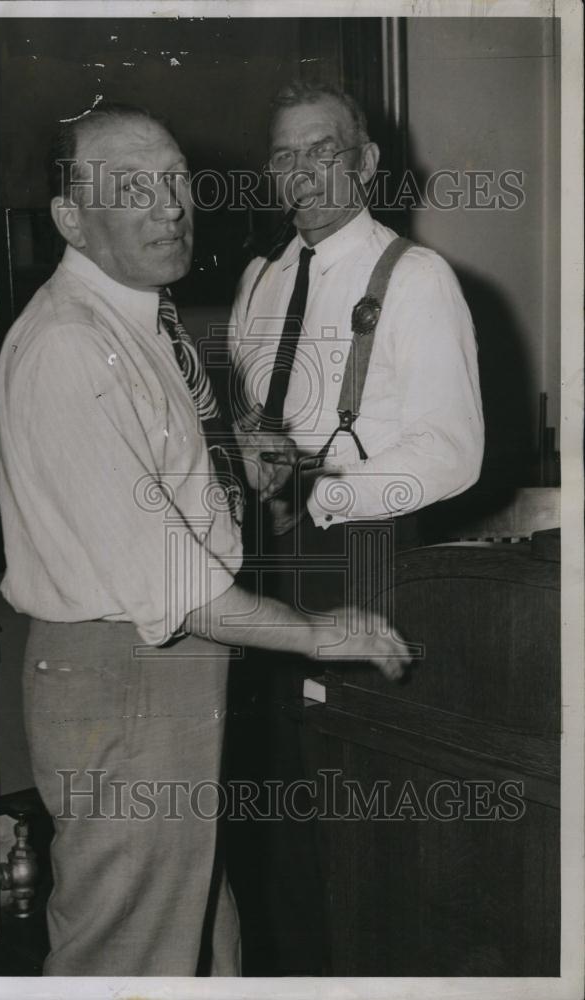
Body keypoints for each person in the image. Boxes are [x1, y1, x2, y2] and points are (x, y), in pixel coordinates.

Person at [0, 101, 411, 977]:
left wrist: (232, 462)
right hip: (127, 676)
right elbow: (175, 582)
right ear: (70, 216)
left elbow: (153, 472)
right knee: (129, 953)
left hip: (168, 674)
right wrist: (319, 634)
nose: (170, 206)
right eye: (132, 189)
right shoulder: (71, 346)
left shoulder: (139, 318)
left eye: (176, 182)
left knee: (194, 936)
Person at [227, 81, 485, 974]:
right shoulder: (258, 280)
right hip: (265, 565)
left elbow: (453, 453)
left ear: (367, 163)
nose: (299, 173)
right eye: (283, 154)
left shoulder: (416, 279)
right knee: (271, 794)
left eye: (321, 150)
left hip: (367, 558)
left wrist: (328, 492)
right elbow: (258, 417)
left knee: (354, 798)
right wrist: (252, 449)